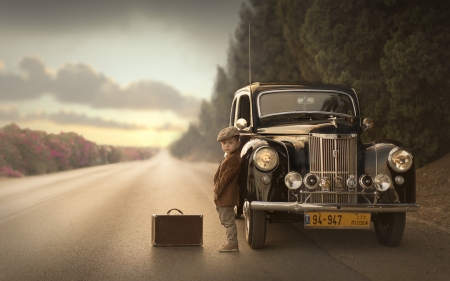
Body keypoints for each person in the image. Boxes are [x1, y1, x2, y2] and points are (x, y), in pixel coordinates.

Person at [214, 126, 241, 252]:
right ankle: (230, 242)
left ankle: (232, 244)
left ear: (238, 143)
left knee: (229, 220)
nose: (227, 145)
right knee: (225, 219)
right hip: (224, 196)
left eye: (230, 143)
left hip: (227, 195)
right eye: (224, 143)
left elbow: (225, 178)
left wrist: (216, 191)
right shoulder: (229, 156)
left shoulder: (234, 159)